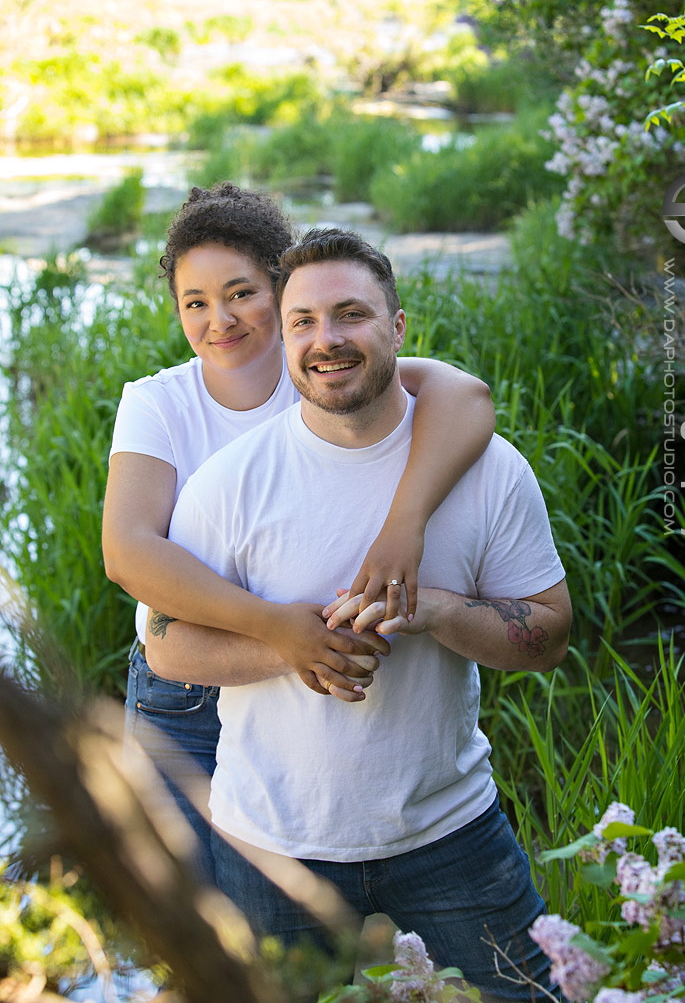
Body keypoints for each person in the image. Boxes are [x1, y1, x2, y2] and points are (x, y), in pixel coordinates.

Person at [145, 227, 572, 1003]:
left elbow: (548, 636)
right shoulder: (230, 483)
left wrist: (440, 611)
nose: (324, 339)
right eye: (302, 320)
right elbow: (164, 648)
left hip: (450, 830)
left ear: (399, 327)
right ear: (285, 338)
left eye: (350, 314)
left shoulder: (486, 469)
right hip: (272, 842)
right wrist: (288, 643)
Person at [102, 184, 496, 878]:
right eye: (194, 302)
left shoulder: (323, 370)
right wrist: (273, 628)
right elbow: (129, 553)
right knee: (187, 897)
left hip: (326, 674)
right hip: (188, 686)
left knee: (302, 887)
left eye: (241, 293)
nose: (219, 319)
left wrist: (405, 524)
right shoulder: (158, 403)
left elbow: (464, 398)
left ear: (280, 290)